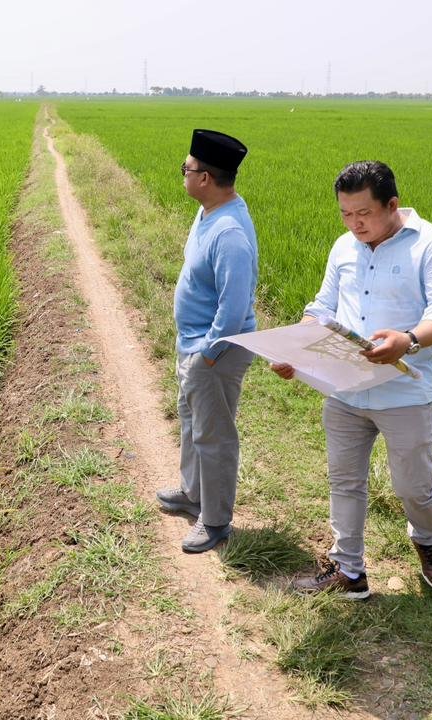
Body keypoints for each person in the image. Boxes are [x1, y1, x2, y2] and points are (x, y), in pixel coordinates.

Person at [272, 160, 432, 598]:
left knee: (413, 487)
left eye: (364, 214)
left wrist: (408, 340)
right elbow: (322, 306)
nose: (354, 224)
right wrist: (295, 348)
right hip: (344, 390)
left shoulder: (431, 247)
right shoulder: (344, 248)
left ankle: (427, 541)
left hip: (404, 393)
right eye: (345, 214)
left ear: (392, 204)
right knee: (344, 480)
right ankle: (349, 571)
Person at [155, 129, 258, 553]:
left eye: (187, 168)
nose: (183, 173)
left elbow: (233, 308)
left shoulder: (229, 232)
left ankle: (215, 521)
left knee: (214, 436)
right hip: (194, 344)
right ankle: (193, 493)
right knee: (192, 422)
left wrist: (208, 354)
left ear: (205, 178)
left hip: (215, 351)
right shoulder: (209, 212)